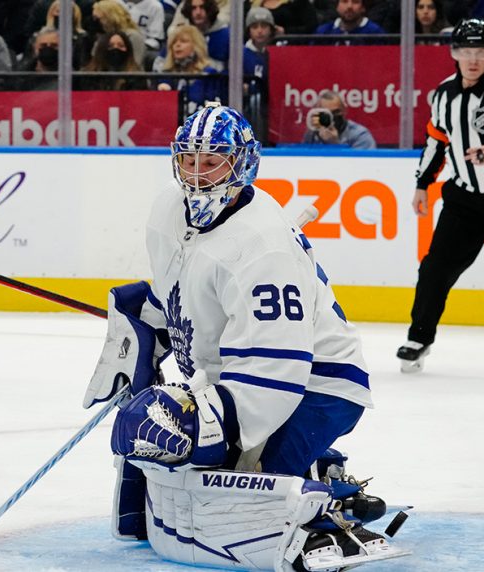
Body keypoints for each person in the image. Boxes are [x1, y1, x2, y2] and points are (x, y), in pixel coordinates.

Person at [83, 103, 406, 571]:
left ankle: (325, 488)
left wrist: (208, 425)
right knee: (192, 468)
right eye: (188, 160)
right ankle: (314, 465)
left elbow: (276, 371)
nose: (197, 175)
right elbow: (187, 291)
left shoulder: (264, 249)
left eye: (213, 160)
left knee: (244, 505)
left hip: (317, 384)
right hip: (242, 376)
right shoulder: (168, 210)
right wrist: (150, 320)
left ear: (243, 164)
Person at [398, 19, 484, 373]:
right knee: (436, 268)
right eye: (466, 52)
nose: (473, 59)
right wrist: (423, 183)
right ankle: (419, 336)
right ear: (454, 53)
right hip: (467, 196)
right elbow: (436, 141)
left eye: (481, 52)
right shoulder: (443, 94)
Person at [302, 89, 377, 149]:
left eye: (336, 112)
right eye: (326, 114)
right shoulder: (312, 135)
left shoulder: (360, 135)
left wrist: (335, 144)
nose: (332, 117)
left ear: (344, 110)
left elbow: (361, 166)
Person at [314, 0, 387, 43]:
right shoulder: (323, 32)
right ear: (337, 6)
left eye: (355, 2)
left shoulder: (375, 33)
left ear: (363, 7)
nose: (349, 6)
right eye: (344, 1)